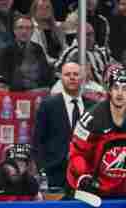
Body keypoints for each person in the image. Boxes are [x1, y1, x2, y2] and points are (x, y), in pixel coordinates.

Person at [67, 65, 126, 200]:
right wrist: (84, 176)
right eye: (116, 88)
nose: (120, 93)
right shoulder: (91, 119)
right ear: (109, 90)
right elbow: (76, 154)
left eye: (124, 89)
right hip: (96, 190)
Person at [33, 61, 86, 192]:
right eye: (68, 74)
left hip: (86, 174)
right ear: (61, 78)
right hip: (55, 174)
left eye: (76, 74)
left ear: (82, 78)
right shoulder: (48, 105)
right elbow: (38, 141)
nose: (72, 77)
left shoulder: (93, 107)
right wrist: (42, 171)